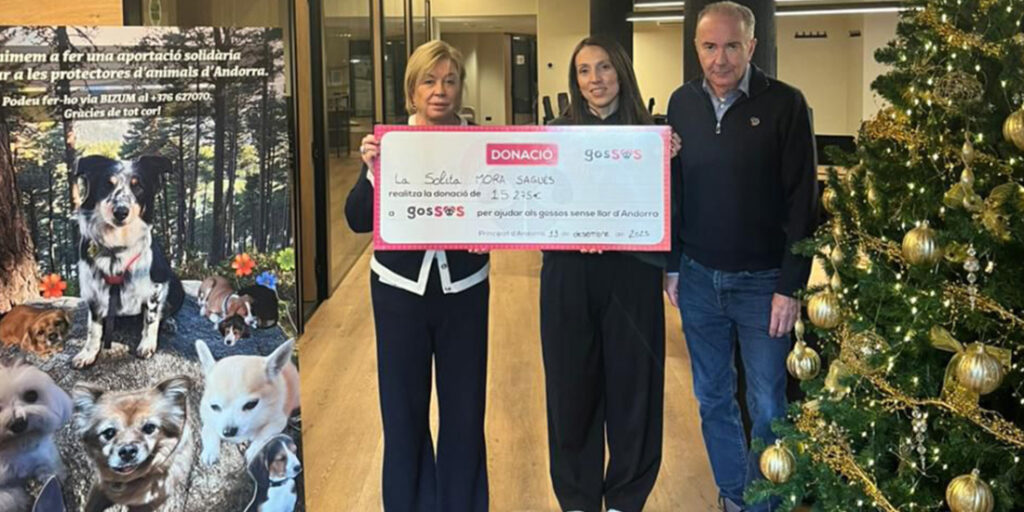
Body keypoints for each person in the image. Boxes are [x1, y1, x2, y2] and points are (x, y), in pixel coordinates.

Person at [663, 2, 818, 511]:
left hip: (763, 285)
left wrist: (790, 286)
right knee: (712, 398)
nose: (720, 58)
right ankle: (735, 497)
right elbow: (674, 190)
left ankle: (764, 502)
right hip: (698, 279)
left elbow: (803, 202)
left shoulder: (786, 104)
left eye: (732, 46)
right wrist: (672, 264)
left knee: (768, 403)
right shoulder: (681, 103)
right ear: (696, 48)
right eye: (709, 46)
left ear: (752, 46)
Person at [345, 40, 490, 512]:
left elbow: (504, 207)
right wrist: (371, 171)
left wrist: (491, 227)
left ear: (460, 88)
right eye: (429, 81)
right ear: (412, 90)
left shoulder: (480, 144)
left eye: (450, 80)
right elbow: (357, 219)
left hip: (464, 290)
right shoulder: (390, 145)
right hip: (398, 292)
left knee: (464, 412)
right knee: (403, 413)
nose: (440, 90)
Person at [541, 35, 681, 512]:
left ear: (621, 70)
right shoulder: (554, 135)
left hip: (632, 273)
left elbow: (673, 209)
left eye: (603, 67)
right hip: (568, 273)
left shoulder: (654, 136)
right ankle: (577, 499)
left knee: (634, 390)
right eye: (583, 70)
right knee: (570, 390)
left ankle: (626, 497)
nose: (595, 79)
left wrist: (669, 161)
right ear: (574, 80)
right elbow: (536, 206)